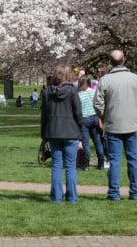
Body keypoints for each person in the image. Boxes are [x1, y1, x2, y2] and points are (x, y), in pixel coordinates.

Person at [93, 50, 137, 201]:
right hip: (133, 124)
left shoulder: (105, 80)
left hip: (113, 125)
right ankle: (135, 192)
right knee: (133, 159)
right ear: (124, 60)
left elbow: (98, 103)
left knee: (115, 160)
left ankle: (114, 193)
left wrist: (103, 116)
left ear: (110, 62)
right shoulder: (134, 78)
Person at [41, 65, 82, 204]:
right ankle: (72, 197)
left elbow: (44, 116)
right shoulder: (72, 91)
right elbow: (78, 113)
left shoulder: (46, 92)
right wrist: (81, 133)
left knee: (56, 166)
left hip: (53, 132)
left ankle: (56, 197)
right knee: (70, 166)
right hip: (71, 132)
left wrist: (43, 136)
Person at [77, 76, 105, 171]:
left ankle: (86, 165)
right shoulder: (94, 92)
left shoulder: (79, 94)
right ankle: (101, 164)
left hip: (84, 119)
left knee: (85, 143)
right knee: (98, 142)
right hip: (95, 118)